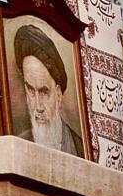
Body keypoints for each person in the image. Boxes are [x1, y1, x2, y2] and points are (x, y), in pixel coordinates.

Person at [14, 24, 84, 157]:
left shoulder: (79, 148)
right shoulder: (18, 145)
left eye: (44, 92)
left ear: (58, 95)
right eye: (30, 90)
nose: (38, 107)